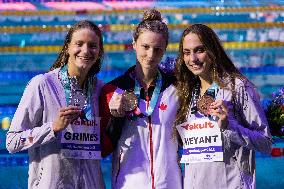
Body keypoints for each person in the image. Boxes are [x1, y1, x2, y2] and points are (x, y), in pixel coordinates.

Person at [6, 20, 105, 189]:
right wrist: (52, 128)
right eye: (79, 44)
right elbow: (12, 141)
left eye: (92, 46)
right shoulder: (42, 84)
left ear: (99, 52)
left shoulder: (100, 89)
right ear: (67, 47)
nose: (86, 51)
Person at [174, 24, 272, 189]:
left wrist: (229, 127)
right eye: (186, 52)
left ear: (212, 50)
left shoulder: (237, 86)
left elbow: (266, 143)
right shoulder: (187, 92)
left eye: (199, 50)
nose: (192, 59)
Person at [100, 9, 182, 189]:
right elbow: (103, 149)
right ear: (134, 44)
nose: (151, 55)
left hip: (170, 184)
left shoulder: (178, 88)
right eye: (145, 47)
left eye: (157, 49)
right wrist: (116, 118)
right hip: (128, 184)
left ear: (165, 49)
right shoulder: (112, 90)